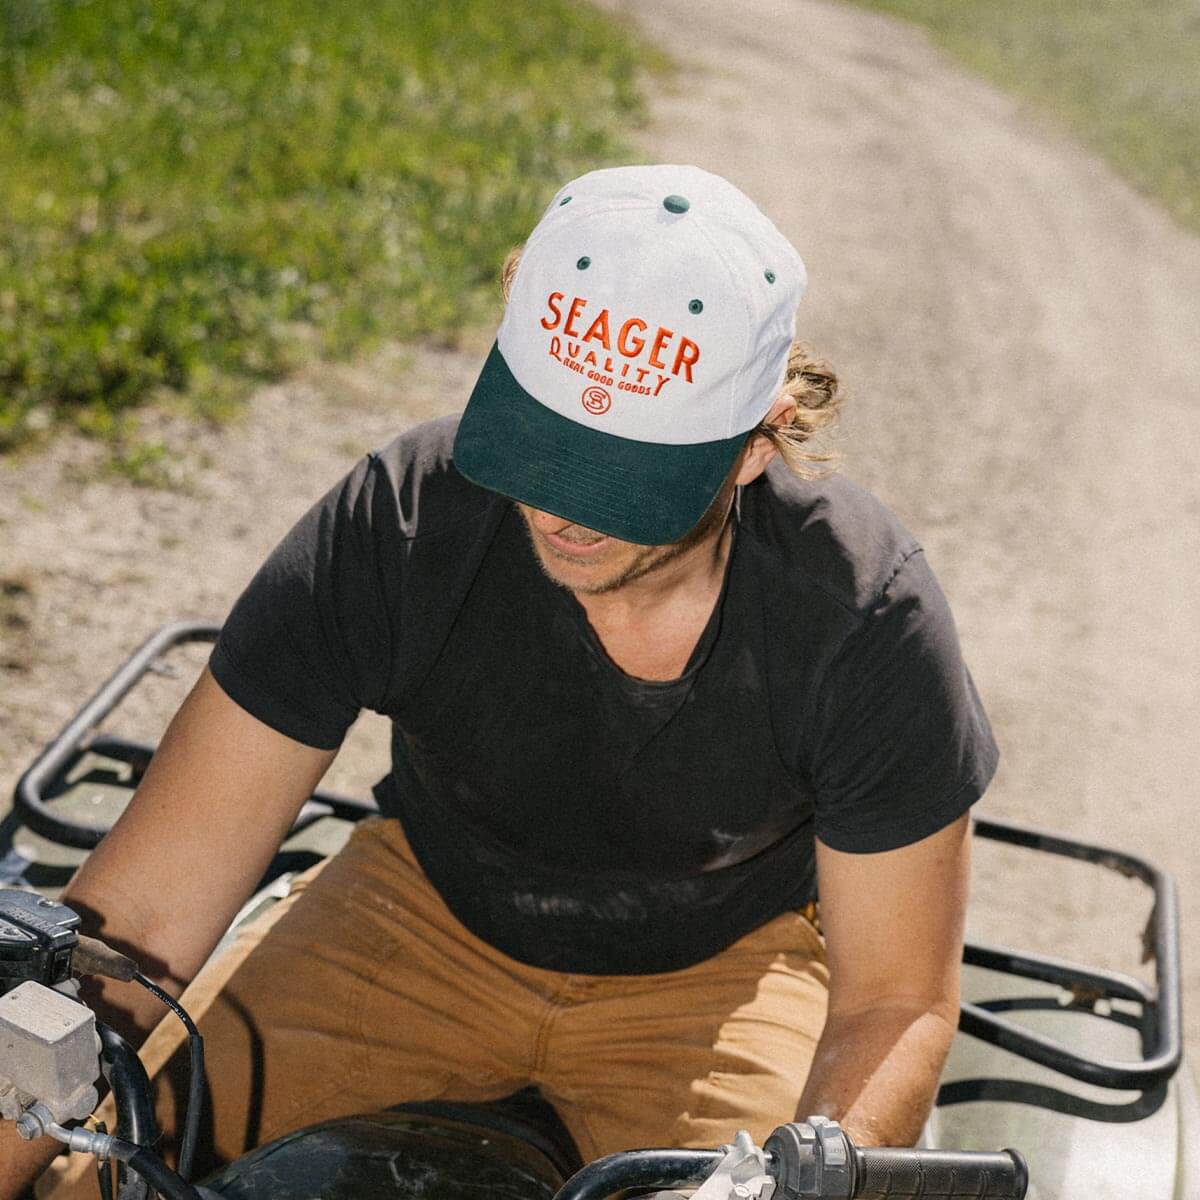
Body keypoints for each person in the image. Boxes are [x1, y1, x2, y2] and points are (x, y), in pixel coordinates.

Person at [6, 163, 998, 1199]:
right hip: (420, 910)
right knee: (107, 1176)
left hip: (720, 972)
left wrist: (808, 1175)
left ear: (756, 442)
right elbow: (145, 919)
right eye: (540, 444)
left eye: (619, 474)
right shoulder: (404, 523)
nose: (560, 509)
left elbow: (894, 1002)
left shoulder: (864, 613)